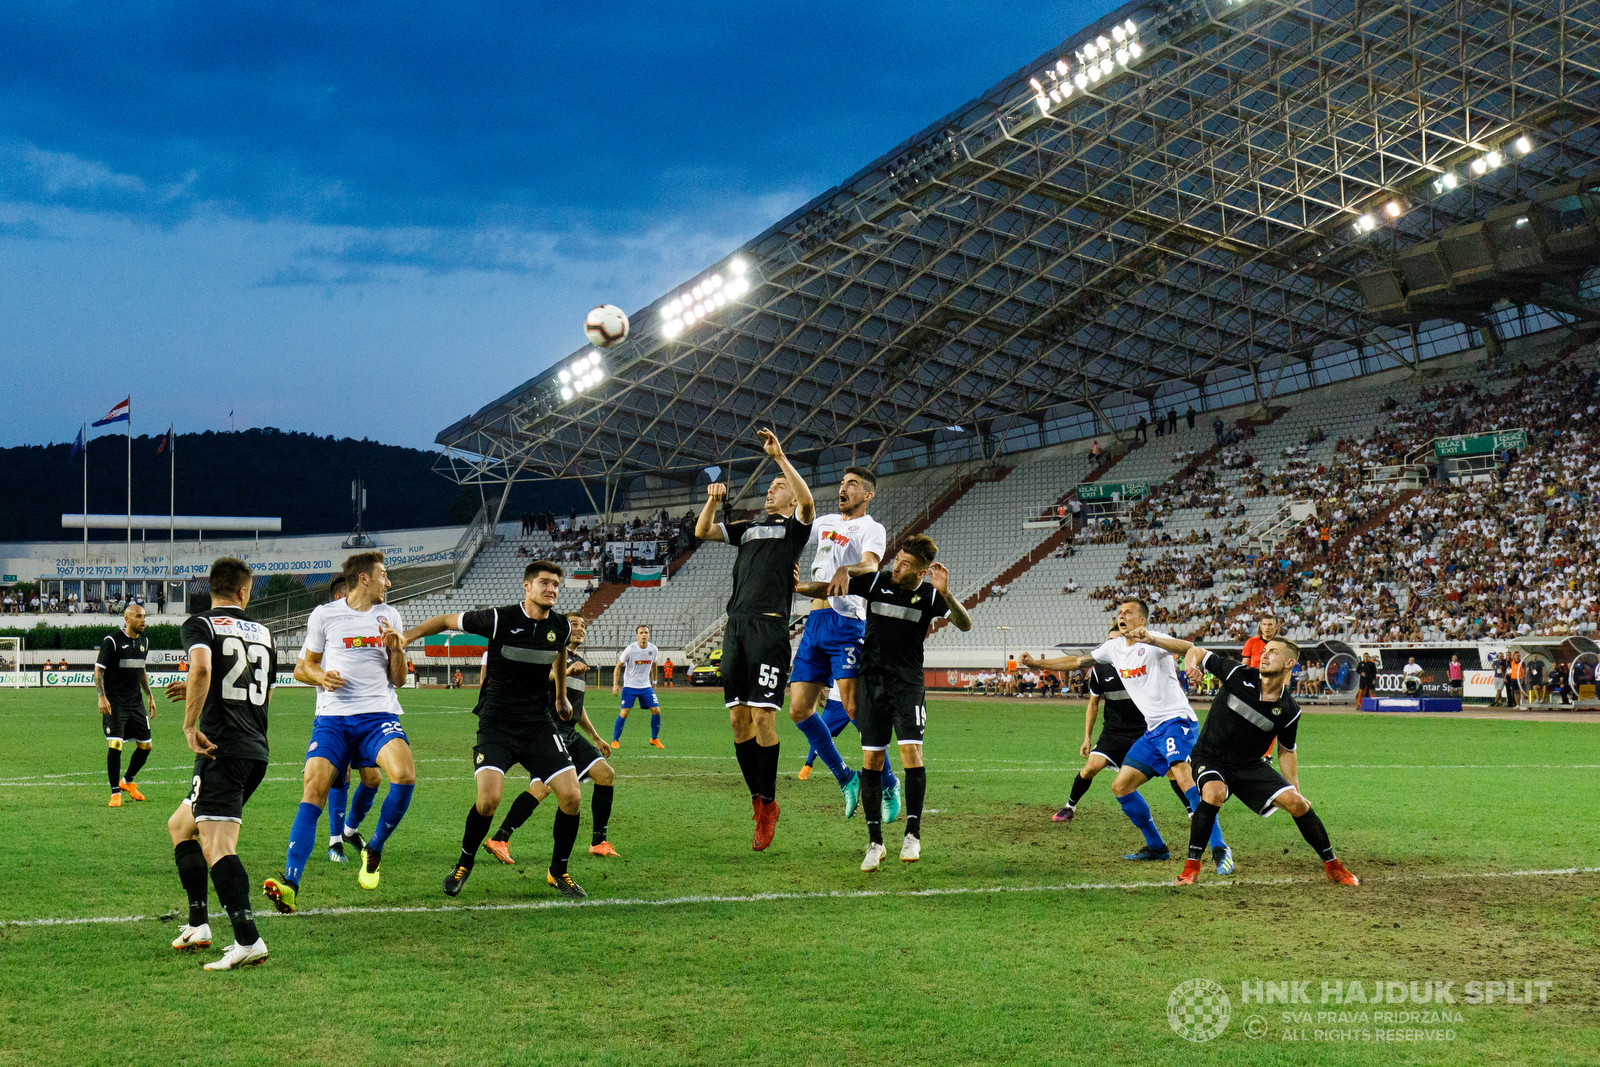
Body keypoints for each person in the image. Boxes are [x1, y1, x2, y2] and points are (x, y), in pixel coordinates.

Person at [403, 561, 585, 898]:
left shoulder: (560, 626)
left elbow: (559, 653)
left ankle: (558, 872)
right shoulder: (499, 618)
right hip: (497, 722)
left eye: (556, 585)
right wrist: (406, 637)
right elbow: (445, 620)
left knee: (572, 797)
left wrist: (560, 696)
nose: (552, 589)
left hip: (537, 724)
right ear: (527, 587)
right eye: (544, 583)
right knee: (488, 801)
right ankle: (463, 864)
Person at [796, 535, 972, 869]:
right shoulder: (877, 581)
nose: (897, 566)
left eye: (905, 564)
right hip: (871, 683)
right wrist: (801, 587)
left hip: (907, 684)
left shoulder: (931, 595)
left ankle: (912, 834)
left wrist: (947, 593)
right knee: (872, 760)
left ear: (921, 571)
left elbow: (964, 624)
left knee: (911, 753)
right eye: (897, 559)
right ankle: (875, 842)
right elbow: (832, 589)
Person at [1132, 629, 1360, 887]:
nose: (1264, 655)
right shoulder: (1238, 674)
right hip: (1210, 756)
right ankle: (1191, 867)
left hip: (1249, 766)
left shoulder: (1289, 710)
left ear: (1289, 663)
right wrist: (1193, 666)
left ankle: (1333, 866)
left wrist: (1295, 788)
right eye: (1264, 651)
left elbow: (1286, 750)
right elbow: (1194, 650)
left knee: (1299, 805)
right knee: (1214, 792)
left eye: (1273, 652)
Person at [1022, 599, 1231, 873]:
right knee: (1121, 786)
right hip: (1153, 729)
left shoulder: (1153, 642)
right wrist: (1040, 664)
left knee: (1182, 775)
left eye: (1128, 612)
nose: (1122, 615)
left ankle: (1219, 848)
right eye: (1119, 612)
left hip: (1177, 720)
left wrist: (1153, 639)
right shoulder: (1114, 648)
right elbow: (1076, 661)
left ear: (1142, 620)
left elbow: (1189, 648)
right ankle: (1157, 847)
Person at [263, 552, 414, 914]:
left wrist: (396, 650)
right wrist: (321, 676)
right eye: (383, 575)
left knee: (404, 776)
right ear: (363, 579)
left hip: (378, 715)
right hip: (333, 718)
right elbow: (303, 667)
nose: (388, 583)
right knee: (313, 790)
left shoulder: (390, 615)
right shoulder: (325, 615)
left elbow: (399, 679)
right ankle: (290, 884)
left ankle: (373, 847)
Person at [693, 428, 815, 851]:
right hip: (737, 626)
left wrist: (780, 458)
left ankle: (769, 802)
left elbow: (808, 503)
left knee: (764, 717)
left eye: (778, 487)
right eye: (769, 487)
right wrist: (712, 499)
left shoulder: (795, 527)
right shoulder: (747, 527)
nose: (771, 491)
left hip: (769, 627)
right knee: (737, 719)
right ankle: (759, 802)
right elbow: (702, 532)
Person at [164, 557, 276, 969]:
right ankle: (199, 924)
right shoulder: (264, 632)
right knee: (182, 826)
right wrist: (204, 692)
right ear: (244, 591)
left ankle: (248, 940)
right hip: (252, 746)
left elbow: (204, 667)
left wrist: (190, 725)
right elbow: (256, 690)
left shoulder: (201, 624)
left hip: (219, 749)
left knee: (216, 844)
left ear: (210, 588)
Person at [788, 466, 886, 818]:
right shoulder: (826, 520)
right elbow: (798, 520)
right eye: (842, 482)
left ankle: (888, 782)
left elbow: (871, 564)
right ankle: (847, 778)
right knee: (799, 710)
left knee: (853, 708)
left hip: (846, 622)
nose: (843, 488)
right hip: (814, 621)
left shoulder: (872, 528)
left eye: (853, 484)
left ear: (868, 495)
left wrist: (850, 570)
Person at [485, 615, 620, 862]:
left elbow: (575, 707)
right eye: (574, 624)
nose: (579, 628)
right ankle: (500, 838)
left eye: (583, 625)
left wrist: (596, 737)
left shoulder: (579, 661)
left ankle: (598, 842)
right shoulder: (548, 653)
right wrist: (565, 670)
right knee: (543, 788)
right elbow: (534, 678)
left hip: (570, 732)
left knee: (605, 774)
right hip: (547, 732)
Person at [1052, 624, 1192, 825]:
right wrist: (1087, 737)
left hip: (1146, 728)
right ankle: (1069, 806)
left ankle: (1191, 810)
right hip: (1114, 731)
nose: (1114, 645)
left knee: (1173, 769)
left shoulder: (1143, 662)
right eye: (1110, 641)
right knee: (1091, 766)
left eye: (1118, 640)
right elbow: (1093, 704)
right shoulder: (1100, 670)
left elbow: (1176, 657)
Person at [798, 681, 899, 815]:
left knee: (871, 739)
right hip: (837, 698)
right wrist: (820, 684)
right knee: (818, 731)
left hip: (862, 695)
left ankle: (889, 782)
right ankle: (810, 764)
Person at [96, 602, 158, 807]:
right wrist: (101, 697)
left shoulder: (144, 642)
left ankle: (127, 782)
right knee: (115, 744)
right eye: (139, 616)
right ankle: (115, 792)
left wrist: (150, 696)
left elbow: (141, 671)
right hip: (115, 703)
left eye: (144, 617)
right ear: (127, 619)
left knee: (146, 746)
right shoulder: (112, 641)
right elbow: (99, 671)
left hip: (136, 703)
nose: (143, 621)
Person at [611, 624, 664, 749]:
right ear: (637, 635)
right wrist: (615, 684)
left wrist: (654, 682)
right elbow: (618, 666)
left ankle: (654, 739)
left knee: (656, 710)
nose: (644, 635)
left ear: (649, 635)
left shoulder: (653, 649)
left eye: (646, 632)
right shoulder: (630, 649)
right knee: (624, 713)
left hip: (645, 686)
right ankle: (615, 740)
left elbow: (654, 665)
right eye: (641, 633)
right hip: (630, 686)